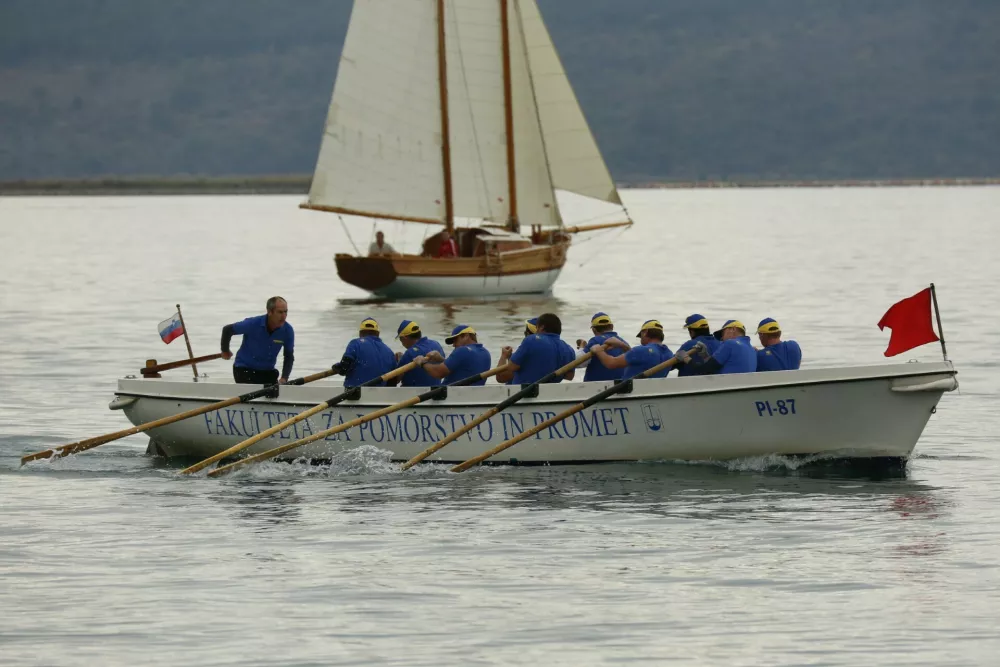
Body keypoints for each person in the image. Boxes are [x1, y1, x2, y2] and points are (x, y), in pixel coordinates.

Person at [221, 296, 294, 385]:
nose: (284, 316)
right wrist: (225, 350)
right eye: (280, 312)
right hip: (244, 370)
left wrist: (284, 378)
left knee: (272, 392)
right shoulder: (252, 323)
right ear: (269, 312)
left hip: (267, 372)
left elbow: (289, 356)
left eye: (285, 312)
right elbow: (227, 330)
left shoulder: (288, 330)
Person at [498, 312, 577, 385]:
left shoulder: (531, 340)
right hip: (552, 395)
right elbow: (569, 376)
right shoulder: (570, 350)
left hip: (524, 395)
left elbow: (509, 369)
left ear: (541, 327)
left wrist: (504, 356)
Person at [591, 319, 674, 380]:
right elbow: (638, 359)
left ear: (645, 332)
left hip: (629, 393)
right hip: (652, 392)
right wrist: (623, 346)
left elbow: (611, 363)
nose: (641, 340)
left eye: (640, 336)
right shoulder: (669, 354)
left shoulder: (641, 351)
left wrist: (599, 350)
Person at [331, 317, 397, 387]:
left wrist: (336, 367)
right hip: (380, 395)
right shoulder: (389, 352)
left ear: (360, 333)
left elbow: (343, 369)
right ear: (378, 333)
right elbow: (392, 382)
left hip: (354, 394)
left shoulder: (355, 344)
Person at [417, 325, 492, 385]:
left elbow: (438, 373)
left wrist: (422, 363)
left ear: (466, 336)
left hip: (449, 396)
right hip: (472, 395)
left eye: (455, 340)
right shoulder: (485, 353)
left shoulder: (462, 350)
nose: (453, 345)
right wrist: (441, 359)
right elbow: (462, 368)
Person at [677, 319, 757, 375]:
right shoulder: (752, 349)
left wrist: (686, 358)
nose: (722, 339)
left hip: (726, 389)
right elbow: (716, 367)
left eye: (722, 334)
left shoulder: (730, 343)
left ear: (732, 329)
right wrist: (705, 356)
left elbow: (704, 370)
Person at [391, 320, 446, 387]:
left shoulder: (409, 354)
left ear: (404, 337)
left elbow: (395, 380)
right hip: (436, 392)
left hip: (414, 394)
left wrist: (399, 361)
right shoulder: (436, 344)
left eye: (400, 339)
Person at [579, 312, 630, 382]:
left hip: (595, 388)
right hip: (621, 387)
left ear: (594, 330)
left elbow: (580, 363)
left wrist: (581, 348)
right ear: (612, 326)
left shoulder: (595, 341)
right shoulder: (624, 343)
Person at [676, 314, 722, 378]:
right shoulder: (721, 344)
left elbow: (671, 365)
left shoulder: (690, 344)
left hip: (690, 384)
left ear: (691, 331)